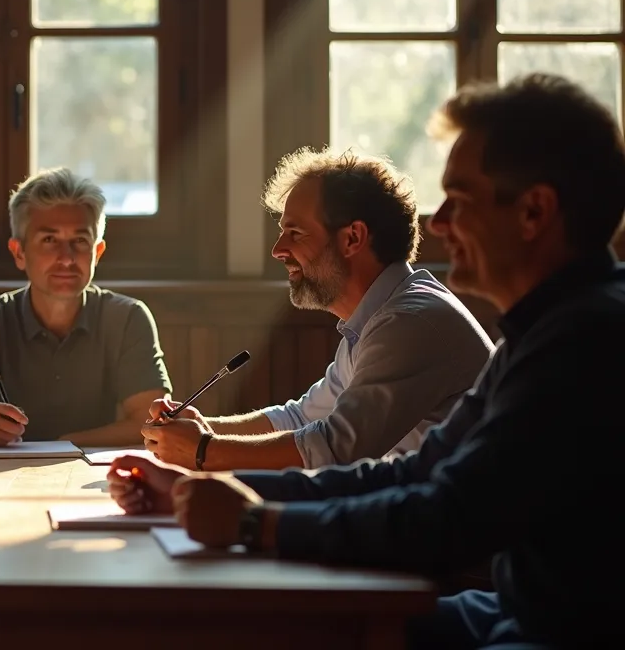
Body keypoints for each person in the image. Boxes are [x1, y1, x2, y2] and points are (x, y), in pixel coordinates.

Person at [109, 73, 625, 649]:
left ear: (534, 211)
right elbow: (413, 471)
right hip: (514, 609)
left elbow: (446, 517)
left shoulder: (587, 342)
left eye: (461, 199)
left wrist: (253, 516)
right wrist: (198, 490)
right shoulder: (535, 337)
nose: (439, 223)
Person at [143, 147, 492, 471]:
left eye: (295, 233)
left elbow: (335, 447)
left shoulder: (410, 322)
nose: (278, 250)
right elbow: (300, 419)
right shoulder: (376, 317)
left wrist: (203, 450)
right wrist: (200, 429)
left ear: (353, 238)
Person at [0, 167, 173, 446]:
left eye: (80, 242)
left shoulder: (128, 317)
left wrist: (63, 444)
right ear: (19, 253)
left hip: (89, 479)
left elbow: (152, 423)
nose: (67, 259)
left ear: (98, 253)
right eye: (49, 240)